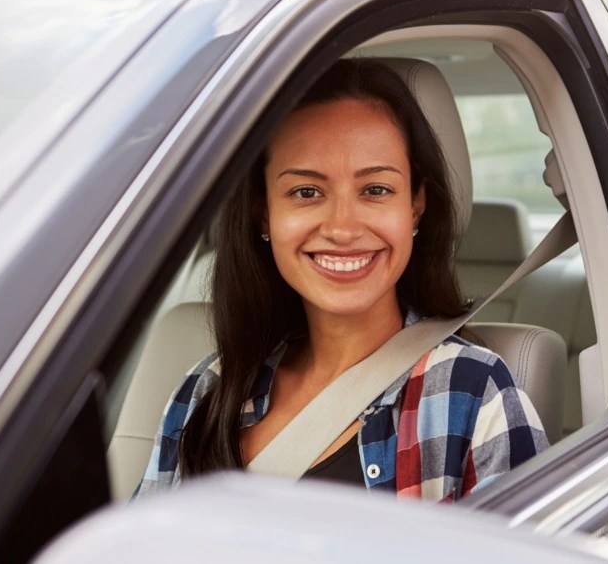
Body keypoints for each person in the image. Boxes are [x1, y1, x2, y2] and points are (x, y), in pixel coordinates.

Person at [138, 58, 547, 502]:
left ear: (415, 206)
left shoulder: (470, 391)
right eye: (306, 192)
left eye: (375, 190)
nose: (342, 228)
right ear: (264, 214)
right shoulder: (205, 392)